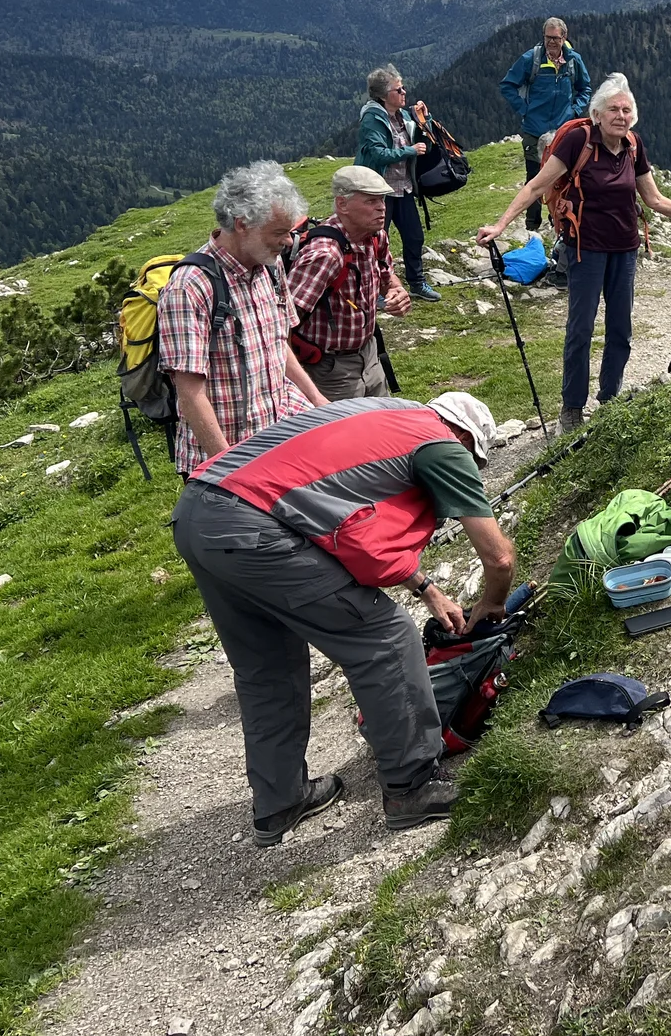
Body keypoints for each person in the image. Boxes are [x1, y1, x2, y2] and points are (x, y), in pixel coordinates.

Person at [172, 392, 516, 844]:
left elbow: (349, 528)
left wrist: (426, 589)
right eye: (473, 463)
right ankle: (411, 786)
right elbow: (500, 558)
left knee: (266, 667)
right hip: (252, 526)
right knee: (385, 638)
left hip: (199, 510)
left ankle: (280, 800)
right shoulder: (443, 446)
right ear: (467, 439)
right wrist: (492, 603)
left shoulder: (384, 414)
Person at [476, 74, 671, 433]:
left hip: (624, 249)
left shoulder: (634, 145)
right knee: (581, 328)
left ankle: (609, 400)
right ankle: (572, 408)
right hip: (584, 249)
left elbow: (653, 199)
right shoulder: (579, 141)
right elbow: (535, 186)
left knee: (621, 328)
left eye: (626, 110)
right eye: (613, 109)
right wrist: (500, 226)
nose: (621, 116)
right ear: (597, 113)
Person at [159, 161, 328, 479]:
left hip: (283, 437)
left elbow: (278, 344)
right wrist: (228, 470)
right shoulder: (190, 286)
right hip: (230, 459)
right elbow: (190, 393)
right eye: (279, 233)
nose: (289, 242)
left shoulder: (271, 266)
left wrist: (317, 401)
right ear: (241, 224)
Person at [286, 165, 413, 401]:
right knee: (343, 434)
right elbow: (283, 322)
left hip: (369, 354)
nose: (382, 208)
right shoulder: (325, 254)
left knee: (381, 424)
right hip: (329, 369)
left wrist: (397, 291)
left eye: (382, 199)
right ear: (342, 204)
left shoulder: (376, 236)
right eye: (370, 201)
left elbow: (387, 277)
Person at [356, 64, 441, 302]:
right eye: (398, 89)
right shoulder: (372, 120)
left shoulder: (403, 116)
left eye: (403, 88)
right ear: (384, 96)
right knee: (376, 241)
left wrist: (426, 118)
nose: (404, 92)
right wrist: (409, 151)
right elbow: (377, 154)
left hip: (403, 188)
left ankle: (416, 283)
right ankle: (376, 290)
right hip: (379, 191)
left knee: (414, 236)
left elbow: (426, 142)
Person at [500, 18, 592, 233]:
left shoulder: (573, 61)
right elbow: (507, 85)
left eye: (556, 38)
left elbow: (585, 88)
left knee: (562, 177)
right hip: (534, 131)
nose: (551, 42)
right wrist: (525, 110)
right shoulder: (530, 59)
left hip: (563, 132)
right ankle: (532, 228)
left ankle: (557, 221)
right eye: (548, 37)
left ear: (564, 37)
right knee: (533, 179)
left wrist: (575, 111)